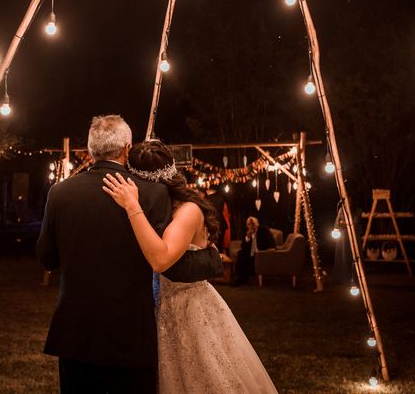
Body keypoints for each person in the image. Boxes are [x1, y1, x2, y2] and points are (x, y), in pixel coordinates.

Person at [36, 115, 223, 394]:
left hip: (75, 332)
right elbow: (167, 262)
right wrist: (212, 259)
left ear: (90, 151)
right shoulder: (152, 193)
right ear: (127, 148)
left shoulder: (60, 192)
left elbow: (47, 258)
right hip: (128, 334)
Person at [103, 140, 278, 394]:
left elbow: (161, 259)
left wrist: (132, 206)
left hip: (189, 309)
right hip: (164, 308)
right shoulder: (163, 209)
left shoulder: (188, 211)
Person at [234, 216, 276, 285]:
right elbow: (243, 247)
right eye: (249, 224)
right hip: (251, 254)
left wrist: (271, 247)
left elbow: (270, 239)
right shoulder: (248, 232)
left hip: (261, 253)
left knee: (245, 257)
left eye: (253, 224)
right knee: (240, 253)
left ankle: (242, 278)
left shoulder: (263, 229)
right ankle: (240, 278)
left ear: (257, 224)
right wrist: (248, 238)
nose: (251, 226)